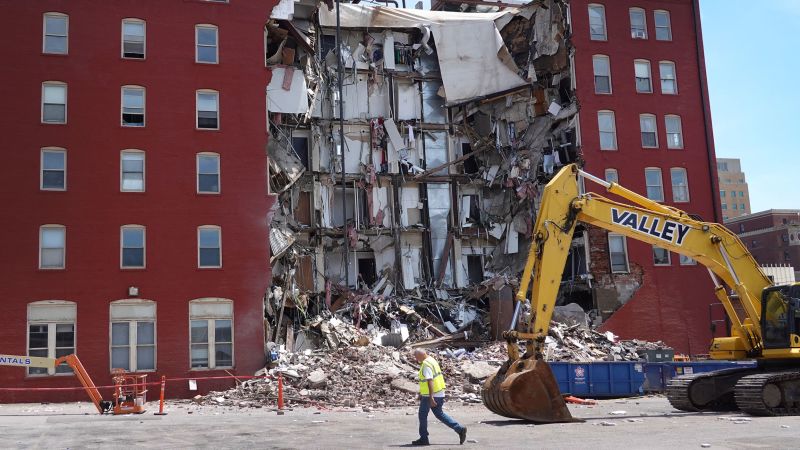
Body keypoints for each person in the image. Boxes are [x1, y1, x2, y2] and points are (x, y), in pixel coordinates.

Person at [411, 348, 467, 446]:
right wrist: (422, 393)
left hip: (430, 396)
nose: (416, 359)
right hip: (438, 393)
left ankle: (424, 439)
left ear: (421, 355)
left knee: (422, 416)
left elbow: (430, 381)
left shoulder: (426, 365)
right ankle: (459, 429)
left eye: (416, 356)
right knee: (439, 414)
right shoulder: (432, 360)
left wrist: (431, 397)